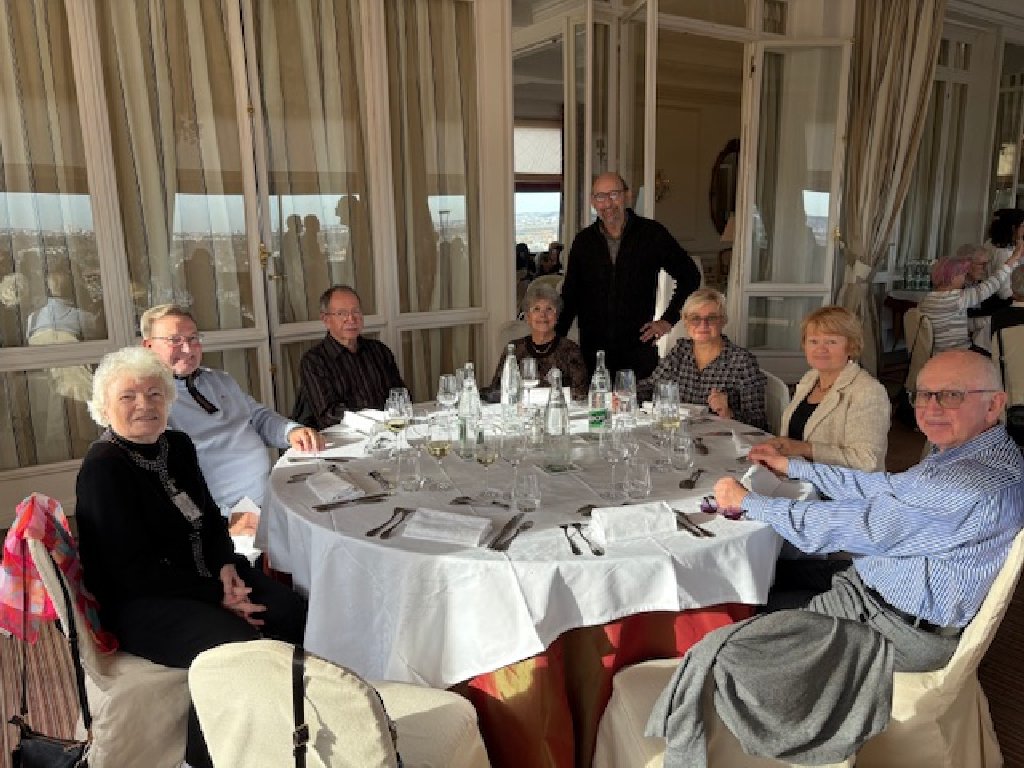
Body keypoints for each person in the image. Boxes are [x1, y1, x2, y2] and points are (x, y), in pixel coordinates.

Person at [717, 349, 1024, 673]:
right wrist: (794, 467)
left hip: (894, 624)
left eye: (951, 395)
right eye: (924, 395)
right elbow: (885, 486)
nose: (932, 408)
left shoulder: (968, 483)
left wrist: (749, 502)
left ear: (994, 405)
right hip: (883, 580)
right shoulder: (974, 452)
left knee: (736, 621)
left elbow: (855, 526)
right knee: (760, 572)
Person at [75, 346, 307, 768]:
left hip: (210, 576)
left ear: (168, 400)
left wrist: (226, 568)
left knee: (291, 611)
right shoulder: (104, 468)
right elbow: (131, 572)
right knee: (234, 645)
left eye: (154, 393)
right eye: (128, 396)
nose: (144, 404)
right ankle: (204, 757)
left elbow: (210, 517)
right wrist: (218, 596)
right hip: (142, 601)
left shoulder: (177, 445)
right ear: (104, 409)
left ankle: (281, 726)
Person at [141, 304, 323, 513]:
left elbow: (258, 417)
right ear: (148, 346)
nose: (188, 349)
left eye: (193, 338)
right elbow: (167, 483)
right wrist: (223, 518)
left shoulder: (220, 380)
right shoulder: (150, 403)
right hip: (223, 518)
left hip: (271, 496)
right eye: (175, 340)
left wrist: (291, 431)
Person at [556, 172, 701, 378]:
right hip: (594, 354)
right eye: (600, 197)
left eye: (614, 194)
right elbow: (570, 296)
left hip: (638, 351)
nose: (608, 203)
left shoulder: (652, 234)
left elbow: (690, 276)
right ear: (593, 202)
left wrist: (667, 320)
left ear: (627, 195)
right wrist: (556, 342)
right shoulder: (583, 242)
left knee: (640, 400)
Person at [757, 306, 890, 472]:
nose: (821, 349)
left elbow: (867, 461)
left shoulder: (868, 391)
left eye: (831, 342)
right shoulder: (810, 378)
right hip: (798, 475)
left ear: (850, 346)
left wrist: (805, 448)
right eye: (813, 341)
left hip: (840, 487)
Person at [638, 287, 767, 429]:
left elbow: (759, 423)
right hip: (680, 433)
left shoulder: (742, 361)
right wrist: (625, 396)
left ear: (723, 321)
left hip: (721, 438)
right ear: (686, 322)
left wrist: (728, 413)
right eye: (695, 318)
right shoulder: (680, 351)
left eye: (711, 318)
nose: (703, 324)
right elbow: (650, 387)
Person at [299, 285, 406, 429]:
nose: (351, 319)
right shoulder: (314, 361)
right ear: (326, 319)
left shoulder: (379, 351)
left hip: (388, 430)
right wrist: (373, 421)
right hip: (343, 436)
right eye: (342, 313)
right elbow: (328, 415)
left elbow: (400, 396)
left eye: (356, 311)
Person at [485, 281, 588, 401]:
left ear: (556, 317)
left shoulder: (570, 349)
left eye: (549, 309)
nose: (543, 315)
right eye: (536, 309)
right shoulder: (514, 349)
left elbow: (581, 393)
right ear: (528, 317)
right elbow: (497, 390)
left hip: (558, 409)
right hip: (521, 410)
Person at [917, 245, 1023, 354]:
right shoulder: (957, 298)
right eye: (962, 275)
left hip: (937, 353)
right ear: (953, 277)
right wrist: (1013, 258)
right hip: (957, 354)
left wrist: (991, 320)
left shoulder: (926, 299)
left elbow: (956, 324)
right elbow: (992, 285)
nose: (964, 278)